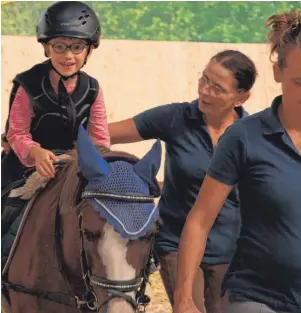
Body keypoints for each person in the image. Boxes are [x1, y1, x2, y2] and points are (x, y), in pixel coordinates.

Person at [173, 9, 301, 313]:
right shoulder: (243, 137)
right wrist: (184, 297)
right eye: (300, 81)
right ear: (278, 72)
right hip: (252, 297)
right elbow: (200, 219)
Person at [107, 50, 257, 313]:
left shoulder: (253, 134)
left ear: (240, 97)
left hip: (231, 251)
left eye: (218, 88)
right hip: (176, 244)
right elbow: (103, 133)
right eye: (204, 79)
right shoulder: (174, 118)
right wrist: (29, 139)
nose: (205, 91)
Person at [1, 1, 110, 269]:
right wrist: (35, 152)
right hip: (23, 169)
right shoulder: (27, 84)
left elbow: (100, 139)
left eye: (77, 47)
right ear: (46, 46)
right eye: (59, 46)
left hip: (72, 168)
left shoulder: (93, 89)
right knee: (6, 215)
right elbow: (16, 133)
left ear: (89, 50)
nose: (68, 56)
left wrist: (88, 161)